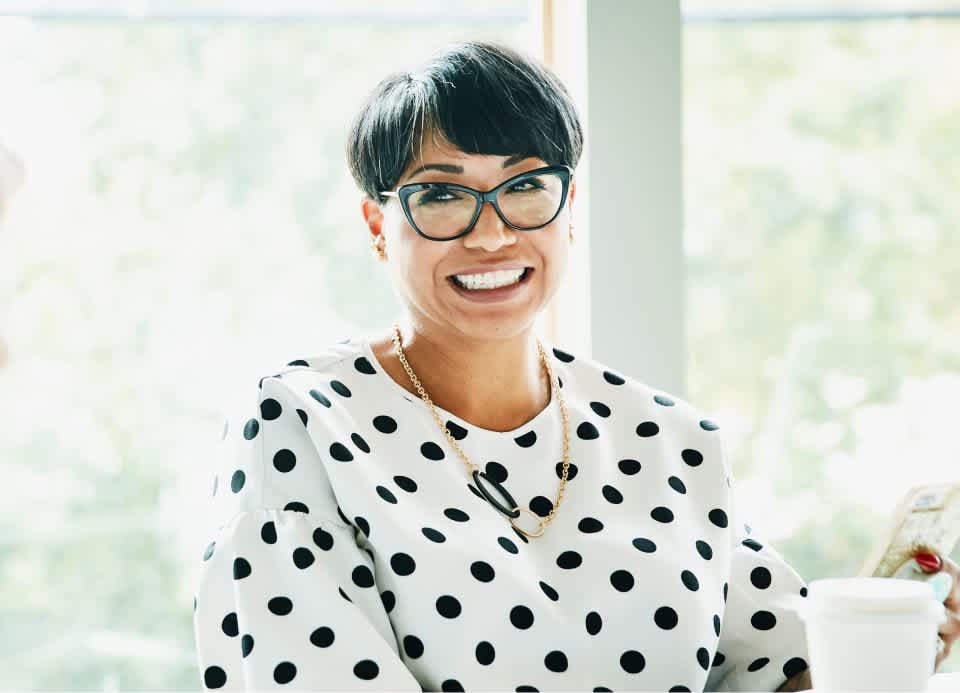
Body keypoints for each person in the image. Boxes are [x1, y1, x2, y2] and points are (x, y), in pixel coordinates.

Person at [191, 40, 959, 691]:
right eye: (442, 195)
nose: (491, 235)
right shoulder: (304, 417)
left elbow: (775, 671)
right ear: (377, 226)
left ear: (568, 205)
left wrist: (899, 638)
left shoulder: (671, 439)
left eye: (525, 186)